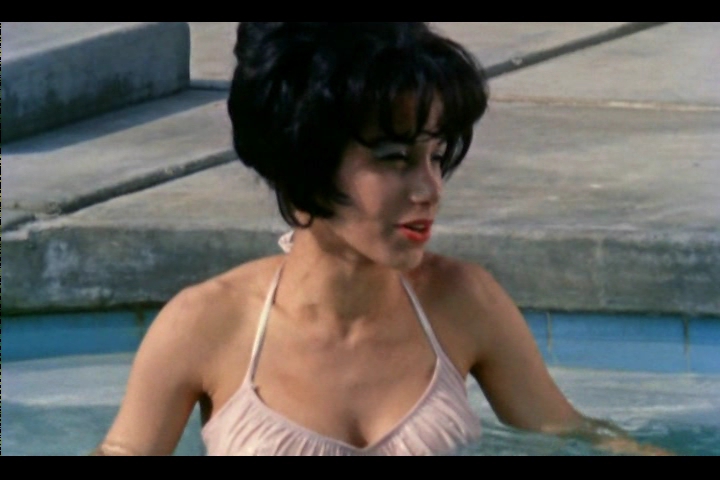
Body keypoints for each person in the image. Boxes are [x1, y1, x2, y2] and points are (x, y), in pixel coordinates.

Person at [93, 22, 670, 456]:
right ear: (306, 160)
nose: (429, 189)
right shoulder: (205, 325)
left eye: (436, 156)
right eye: (395, 159)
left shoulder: (463, 302)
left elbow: (577, 437)